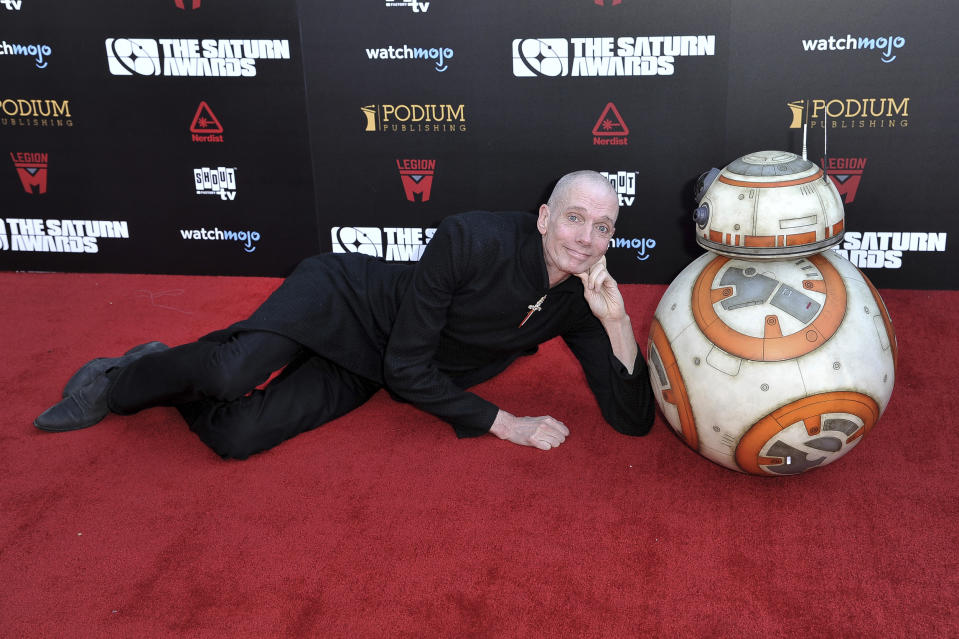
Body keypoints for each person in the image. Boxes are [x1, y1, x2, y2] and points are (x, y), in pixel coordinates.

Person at [34, 170, 655, 458]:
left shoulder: (582, 299)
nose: (586, 237)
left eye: (603, 227)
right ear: (546, 216)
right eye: (575, 218)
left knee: (236, 436)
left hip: (373, 368)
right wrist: (503, 422)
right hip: (344, 301)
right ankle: (119, 381)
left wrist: (616, 320)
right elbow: (412, 365)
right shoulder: (472, 239)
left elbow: (630, 423)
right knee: (229, 376)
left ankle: (167, 367)